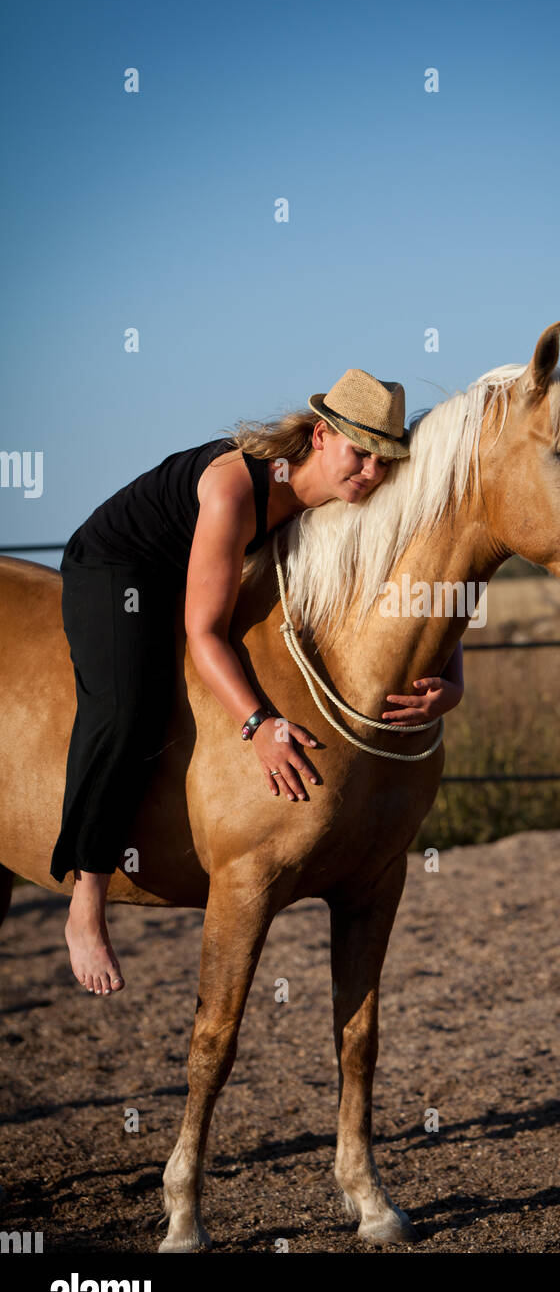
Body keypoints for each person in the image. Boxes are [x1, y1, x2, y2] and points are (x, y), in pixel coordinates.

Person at [49, 369, 464, 997]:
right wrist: (258, 724)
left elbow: (419, 585)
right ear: (322, 436)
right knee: (125, 709)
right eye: (361, 454)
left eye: (385, 460)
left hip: (205, 561)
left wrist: (452, 679)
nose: (373, 473)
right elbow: (205, 631)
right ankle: (86, 901)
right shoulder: (233, 490)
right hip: (122, 567)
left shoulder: (347, 491)